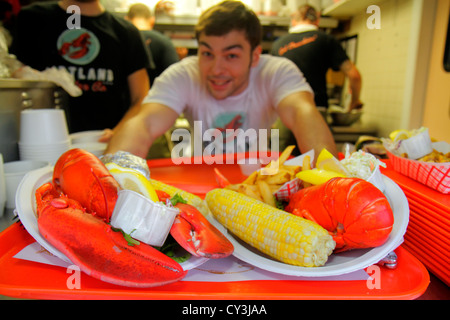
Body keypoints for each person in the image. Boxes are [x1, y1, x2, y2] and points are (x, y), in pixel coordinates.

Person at [105, 0, 337, 160]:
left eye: (231, 56)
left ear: (254, 56)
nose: (216, 69)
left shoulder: (276, 72)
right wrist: (112, 177)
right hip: (198, 176)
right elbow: (144, 123)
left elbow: (302, 113)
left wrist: (330, 182)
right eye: (207, 53)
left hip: (257, 178)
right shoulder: (184, 73)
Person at [11, 0, 151, 137]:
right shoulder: (32, 19)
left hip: (104, 148)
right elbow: (13, 77)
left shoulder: (127, 32)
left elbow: (141, 97)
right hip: (42, 144)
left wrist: (118, 133)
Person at [271, 4, 362, 111]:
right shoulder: (327, 40)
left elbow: (268, 82)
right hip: (316, 110)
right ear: (317, 20)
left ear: (293, 21)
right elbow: (354, 76)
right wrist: (354, 101)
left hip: (285, 111)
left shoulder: (277, 45)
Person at [125, 2, 179, 85]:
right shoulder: (164, 42)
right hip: (158, 96)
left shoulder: (122, 42)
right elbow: (175, 77)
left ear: (126, 19)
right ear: (152, 20)